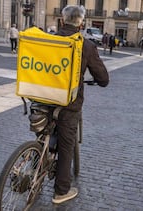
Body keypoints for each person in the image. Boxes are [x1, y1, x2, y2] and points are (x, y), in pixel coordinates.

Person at [53, 5, 109, 204]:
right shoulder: (86, 46)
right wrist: (100, 80)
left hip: (41, 97)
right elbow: (103, 78)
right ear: (81, 24)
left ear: (62, 20)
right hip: (68, 103)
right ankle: (61, 191)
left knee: (43, 133)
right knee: (66, 146)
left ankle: (34, 157)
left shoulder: (48, 39)